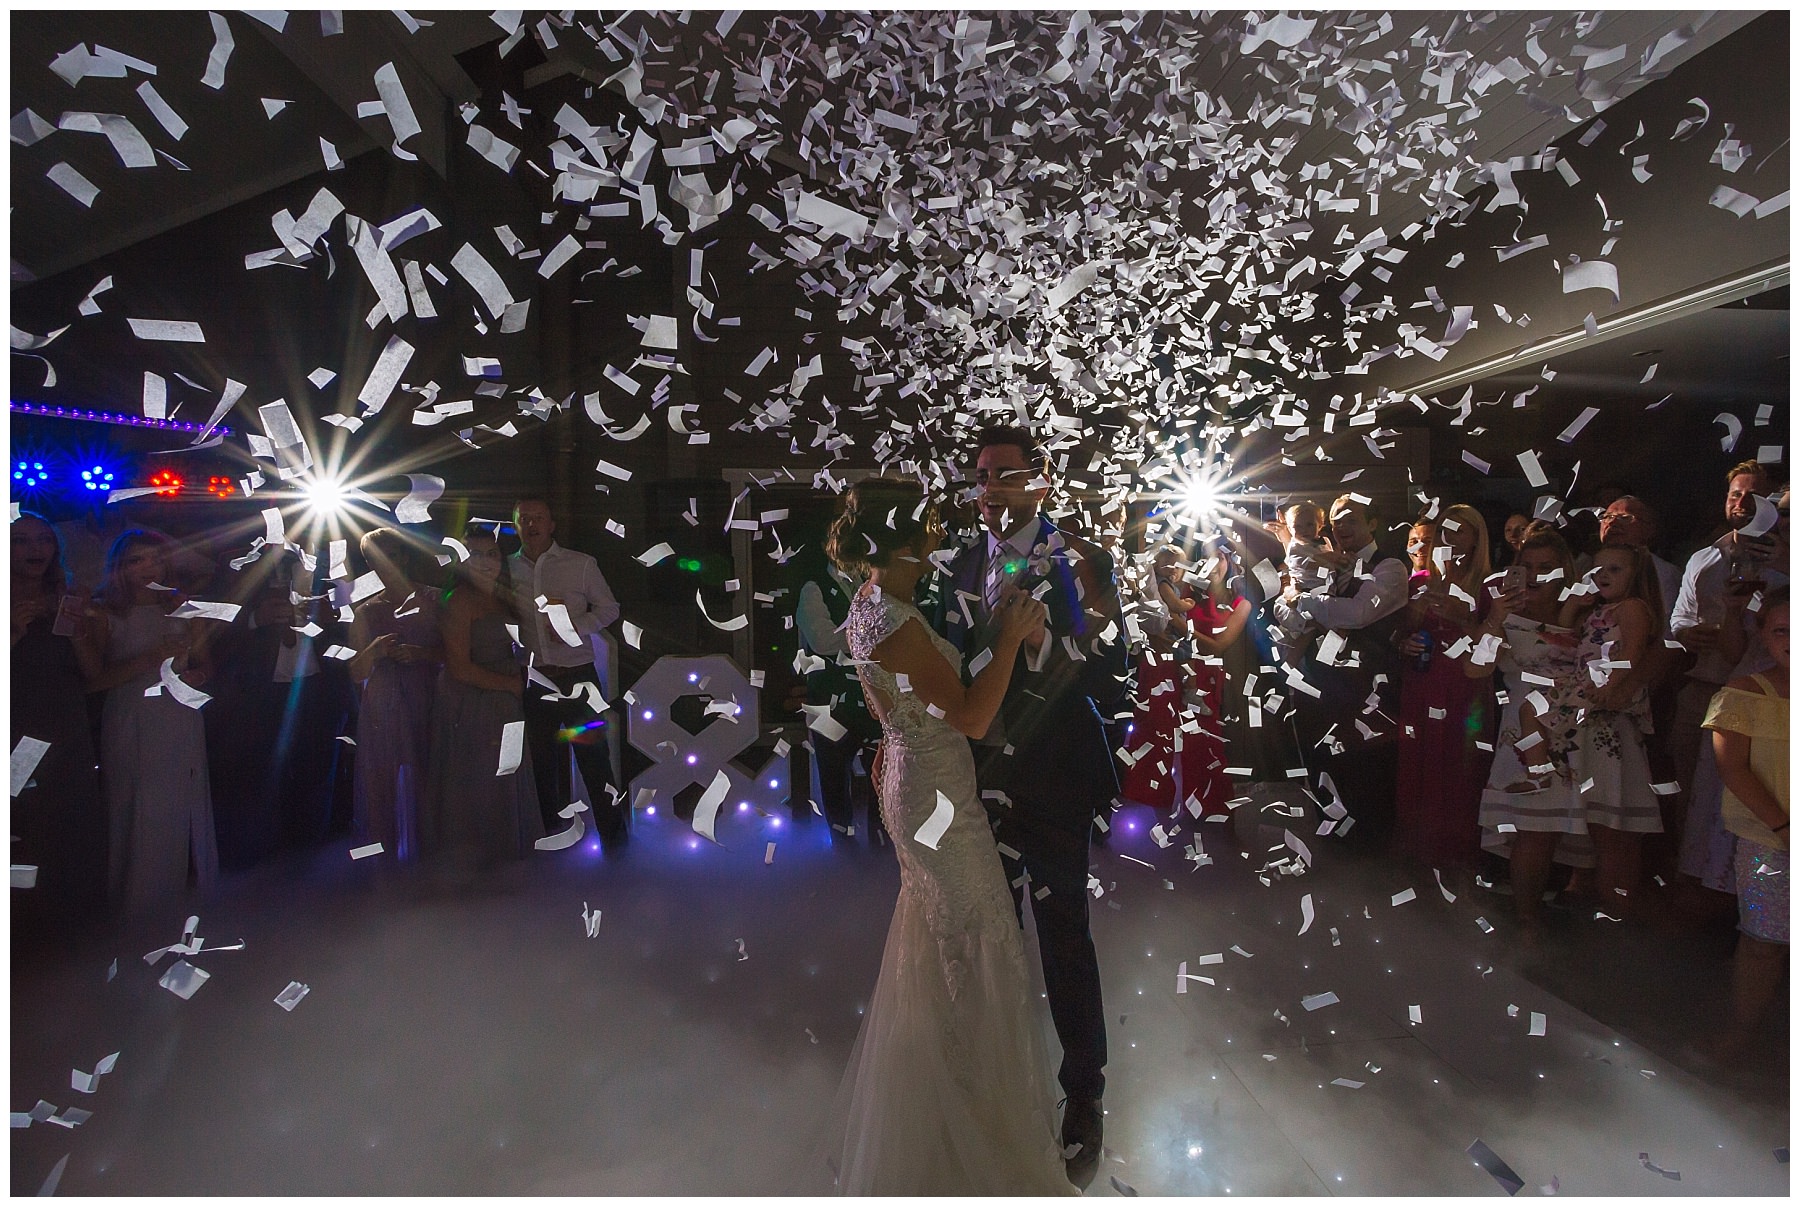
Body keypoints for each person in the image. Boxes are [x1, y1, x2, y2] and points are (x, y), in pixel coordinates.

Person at [825, 477, 1072, 1195]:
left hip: (917, 778)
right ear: (905, 535)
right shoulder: (894, 619)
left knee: (941, 939)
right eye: (930, 519)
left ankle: (941, 1114)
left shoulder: (874, 604)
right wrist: (1009, 638)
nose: (940, 527)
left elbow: (906, 702)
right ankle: (974, 1133)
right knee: (978, 938)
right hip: (937, 800)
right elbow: (967, 714)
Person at [929, 424, 1128, 1187]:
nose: (989, 488)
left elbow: (1092, 660)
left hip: (1053, 775)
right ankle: (993, 1080)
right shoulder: (956, 558)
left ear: (1040, 478)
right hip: (974, 774)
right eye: (980, 474)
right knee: (985, 932)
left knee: (1063, 932)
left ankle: (1084, 1093)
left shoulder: (1075, 555)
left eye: (1005, 474)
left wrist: (1033, 640)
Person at [1514, 542, 1665, 915]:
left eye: (1615, 569)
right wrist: (1572, 606)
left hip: (1604, 694)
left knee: (1611, 828)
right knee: (1529, 708)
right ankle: (1539, 772)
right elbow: (1563, 638)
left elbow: (1632, 652)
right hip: (1582, 688)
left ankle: (1619, 914)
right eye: (1598, 569)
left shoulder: (1632, 608)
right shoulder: (1596, 611)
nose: (1604, 576)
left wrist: (1610, 687)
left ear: (1636, 576)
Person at [82, 530, 219, 919]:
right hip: (132, 717)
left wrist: (197, 677)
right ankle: (135, 903)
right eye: (136, 561)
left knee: (184, 799)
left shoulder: (182, 607)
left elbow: (205, 664)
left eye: (155, 559)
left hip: (179, 714)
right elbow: (92, 680)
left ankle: (185, 897)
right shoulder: (105, 612)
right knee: (136, 803)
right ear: (120, 568)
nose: (147, 568)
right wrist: (148, 660)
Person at [1671, 464, 1786, 900]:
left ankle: (1755, 901)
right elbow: (1679, 616)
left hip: (1772, 699)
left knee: (1763, 794)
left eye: (1751, 496)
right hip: (1707, 689)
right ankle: (1707, 896)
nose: (1740, 503)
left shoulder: (1786, 556)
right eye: (1734, 494)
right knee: (1700, 804)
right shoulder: (1705, 557)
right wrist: (1684, 633)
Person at [1471, 525, 1591, 943]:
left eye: (1548, 568)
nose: (1537, 576)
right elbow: (1475, 669)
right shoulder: (1509, 620)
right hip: (1525, 733)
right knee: (1534, 833)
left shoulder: (1587, 613)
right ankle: (1527, 923)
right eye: (1528, 567)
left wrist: (1572, 615)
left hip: (1581, 730)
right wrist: (1495, 618)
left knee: (1571, 829)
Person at [1273, 494, 1410, 847]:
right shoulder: (1322, 559)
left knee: (1366, 767)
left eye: (1351, 519)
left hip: (1368, 689)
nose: (1342, 527)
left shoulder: (1389, 567)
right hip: (1320, 681)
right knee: (1322, 761)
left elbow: (1357, 614)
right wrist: (1290, 597)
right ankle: (1333, 840)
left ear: (1373, 523)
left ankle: (1371, 847)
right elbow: (1288, 617)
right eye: (1336, 522)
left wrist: (1300, 599)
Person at [423, 524, 544, 872]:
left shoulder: (504, 596)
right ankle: (479, 867)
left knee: (506, 776)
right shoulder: (458, 600)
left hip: (506, 699)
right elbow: (459, 667)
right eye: (474, 554)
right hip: (474, 703)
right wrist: (509, 685)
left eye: (491, 554)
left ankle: (507, 865)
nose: (485, 562)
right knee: (480, 780)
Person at [1701, 587, 1788, 1059]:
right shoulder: (1744, 695)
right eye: (1781, 631)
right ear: (1764, 635)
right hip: (1771, 841)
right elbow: (1734, 769)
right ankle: (1740, 1033)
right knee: (1764, 945)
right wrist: (1784, 829)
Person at [10, 513, 106, 930]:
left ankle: (69, 927)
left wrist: (79, 629)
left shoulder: (67, 596)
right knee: (23, 824)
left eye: (43, 540)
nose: (35, 550)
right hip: (16, 728)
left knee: (70, 823)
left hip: (65, 726)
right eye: (21, 541)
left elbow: (92, 675)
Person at [510, 497, 624, 846]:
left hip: (578, 678)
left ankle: (616, 849)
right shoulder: (507, 569)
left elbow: (610, 608)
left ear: (552, 523)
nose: (531, 524)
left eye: (538, 518)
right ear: (515, 525)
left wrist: (575, 626)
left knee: (595, 763)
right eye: (524, 519)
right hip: (535, 681)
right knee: (540, 767)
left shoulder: (580, 564)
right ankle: (550, 847)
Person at [1392, 504, 1495, 872]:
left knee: (1458, 768)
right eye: (1446, 531)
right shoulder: (1419, 582)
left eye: (1461, 531)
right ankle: (1417, 856)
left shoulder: (1488, 586)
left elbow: (1495, 650)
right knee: (1418, 765)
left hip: (1464, 688)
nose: (1451, 538)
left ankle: (1457, 859)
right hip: (1422, 685)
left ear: (1477, 538)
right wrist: (1403, 643)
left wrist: (1462, 619)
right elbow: (1399, 634)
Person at [1121, 543, 1248, 815]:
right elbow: (1153, 617)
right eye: (1204, 557)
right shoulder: (1182, 590)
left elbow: (1218, 646)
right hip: (1167, 671)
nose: (1212, 563)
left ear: (1230, 561)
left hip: (1205, 682)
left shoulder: (1241, 603)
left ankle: (1209, 811)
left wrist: (1179, 626)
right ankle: (1151, 807)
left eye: (1219, 557)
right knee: (1156, 736)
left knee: (1203, 745)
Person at [349, 528, 444, 862]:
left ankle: (436, 851)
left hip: (428, 694)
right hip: (384, 702)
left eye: (392, 553)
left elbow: (456, 654)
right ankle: (386, 853)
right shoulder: (364, 611)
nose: (387, 561)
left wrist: (421, 654)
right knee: (382, 779)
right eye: (376, 556)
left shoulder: (434, 598)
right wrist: (374, 651)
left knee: (431, 774)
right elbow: (354, 672)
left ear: (404, 556)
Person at [793, 543, 883, 844]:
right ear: (831, 551)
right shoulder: (813, 588)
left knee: (880, 775)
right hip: (828, 702)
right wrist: (872, 635)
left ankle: (882, 843)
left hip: (870, 699)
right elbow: (822, 641)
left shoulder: (869, 585)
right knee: (833, 776)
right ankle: (843, 849)